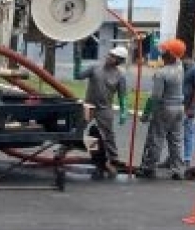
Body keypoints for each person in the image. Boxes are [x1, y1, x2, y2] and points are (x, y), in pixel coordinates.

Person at [74, 45, 128, 178]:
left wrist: (124, 111)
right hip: (89, 106)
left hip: (105, 108)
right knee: (78, 129)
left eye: (113, 56)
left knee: (108, 135)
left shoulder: (120, 75)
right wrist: (77, 62)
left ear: (119, 61)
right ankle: (64, 151)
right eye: (110, 54)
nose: (109, 57)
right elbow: (78, 76)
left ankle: (113, 159)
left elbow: (122, 95)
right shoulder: (95, 68)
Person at [136, 38, 187, 179]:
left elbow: (155, 97)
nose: (161, 53)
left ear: (171, 55)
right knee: (176, 140)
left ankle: (149, 168)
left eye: (165, 51)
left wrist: (146, 113)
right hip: (179, 108)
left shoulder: (162, 73)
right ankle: (178, 170)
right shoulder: (180, 67)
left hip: (165, 108)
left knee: (156, 138)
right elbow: (178, 56)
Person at [183, 58, 195, 167]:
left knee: (188, 132)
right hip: (183, 106)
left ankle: (187, 158)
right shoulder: (188, 69)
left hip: (189, 108)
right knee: (177, 135)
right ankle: (174, 157)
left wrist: (192, 108)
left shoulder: (193, 70)